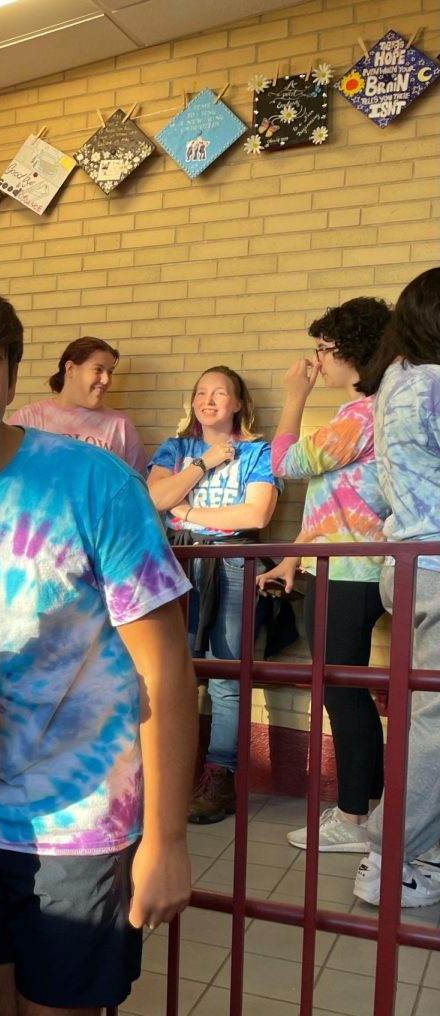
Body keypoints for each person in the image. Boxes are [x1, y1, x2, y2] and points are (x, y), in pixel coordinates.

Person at [0, 281, 197, 1016]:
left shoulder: (95, 485)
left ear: (15, 378)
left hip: (81, 825)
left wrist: (168, 838)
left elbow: (168, 672)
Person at [255, 298, 392, 853]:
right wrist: (296, 556)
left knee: (343, 690)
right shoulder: (376, 412)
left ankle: (357, 817)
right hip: (346, 563)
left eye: (323, 350)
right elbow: (338, 499)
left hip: (352, 570)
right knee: (347, 687)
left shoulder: (362, 414)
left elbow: (285, 464)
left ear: (348, 352)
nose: (317, 362)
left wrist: (294, 397)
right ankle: (368, 813)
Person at [147, 366, 280, 824]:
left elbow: (257, 513)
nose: (209, 399)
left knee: (225, 672)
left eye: (220, 393)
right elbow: (154, 500)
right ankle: (169, 774)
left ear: (239, 403)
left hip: (233, 561)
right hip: (177, 561)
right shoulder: (177, 447)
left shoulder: (258, 451)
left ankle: (220, 776)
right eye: (201, 392)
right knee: (175, 669)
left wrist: (189, 508)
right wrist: (203, 464)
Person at [351, 267, 440, 908]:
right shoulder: (433, 383)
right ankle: (390, 858)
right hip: (435, 569)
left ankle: (409, 853)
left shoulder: (398, 380)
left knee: (423, 716)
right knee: (433, 722)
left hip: (407, 565)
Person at [8, 336, 148, 472]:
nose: (106, 380)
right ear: (70, 369)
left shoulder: (120, 425)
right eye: (98, 370)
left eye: (110, 372)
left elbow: (138, 485)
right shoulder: (29, 418)